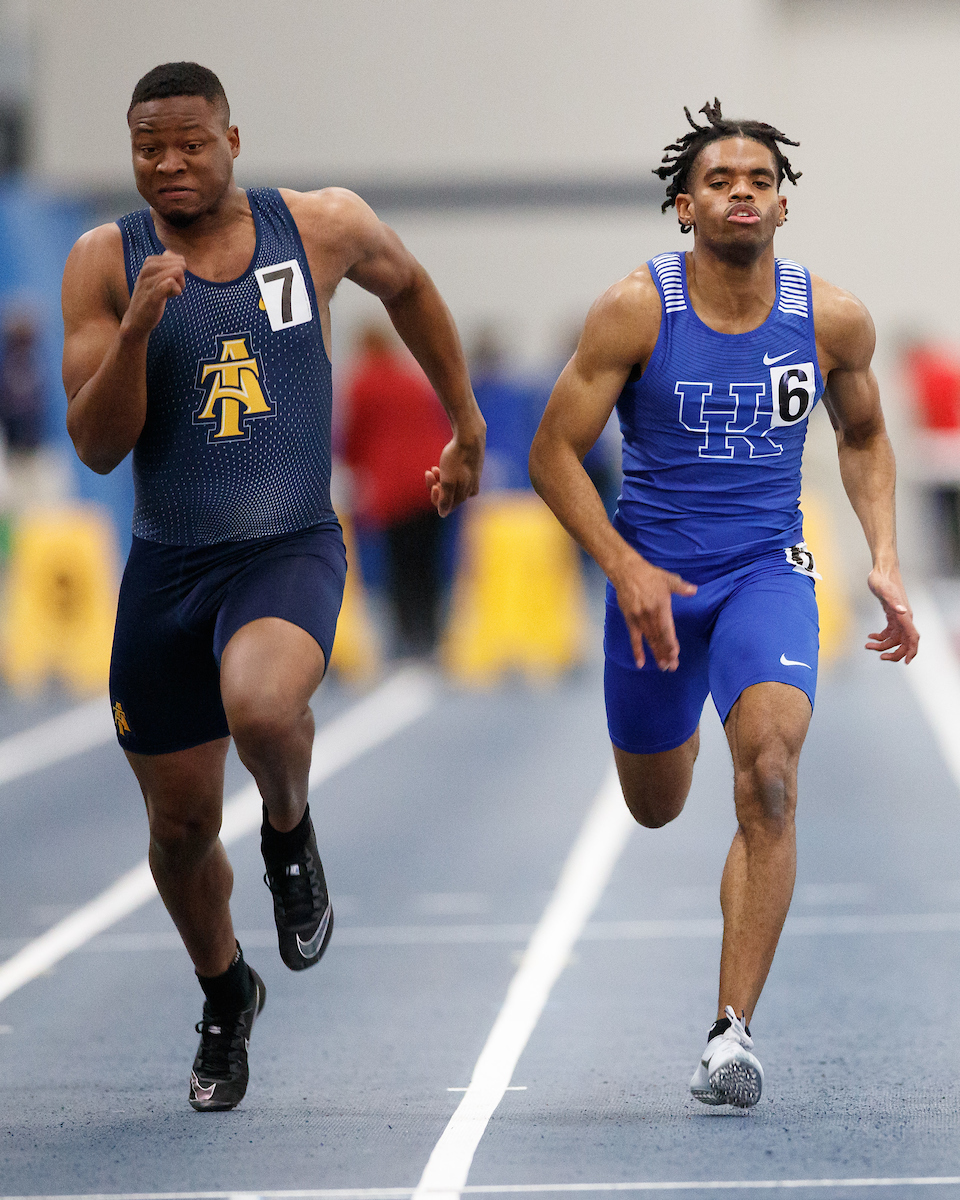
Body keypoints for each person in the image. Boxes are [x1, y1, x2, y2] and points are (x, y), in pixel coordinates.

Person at [61, 62, 484, 1112]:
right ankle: (225, 991)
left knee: (262, 704)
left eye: (189, 143)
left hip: (285, 543)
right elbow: (98, 446)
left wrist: (465, 424)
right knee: (176, 833)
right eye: (148, 147)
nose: (168, 165)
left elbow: (413, 287)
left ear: (232, 141)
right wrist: (138, 332)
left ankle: (288, 830)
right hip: (169, 567)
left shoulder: (319, 225)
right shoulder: (102, 263)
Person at [529, 100, 918, 1109]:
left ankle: (730, 1035)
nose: (740, 190)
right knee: (655, 806)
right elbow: (551, 452)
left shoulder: (832, 319)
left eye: (757, 180)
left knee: (774, 780)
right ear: (682, 206)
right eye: (719, 180)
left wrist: (883, 554)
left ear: (782, 206)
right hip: (653, 586)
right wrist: (622, 566)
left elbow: (866, 435)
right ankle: (686, 724)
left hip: (766, 573)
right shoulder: (635, 310)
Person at [339, 322, 451, 657]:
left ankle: (408, 637)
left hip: (394, 486)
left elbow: (354, 436)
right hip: (432, 478)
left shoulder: (363, 383)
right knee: (428, 562)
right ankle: (432, 634)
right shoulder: (411, 377)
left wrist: (354, 468)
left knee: (400, 563)